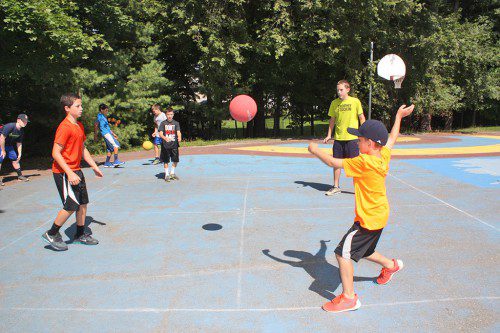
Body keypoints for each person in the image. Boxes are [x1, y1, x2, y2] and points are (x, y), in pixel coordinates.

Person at [308, 104, 415, 313]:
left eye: (360, 140)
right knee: (364, 250)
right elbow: (392, 138)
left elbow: (333, 162)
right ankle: (391, 265)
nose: (357, 142)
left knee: (342, 253)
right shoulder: (382, 155)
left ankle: (349, 298)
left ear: (372, 143)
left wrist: (315, 150)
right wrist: (399, 116)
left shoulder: (363, 161)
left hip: (369, 219)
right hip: (379, 214)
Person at [42, 93, 104, 251]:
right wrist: (69, 173)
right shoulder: (64, 127)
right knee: (71, 205)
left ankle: (80, 234)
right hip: (63, 172)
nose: (81, 108)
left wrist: (94, 166)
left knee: (83, 204)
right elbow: (55, 153)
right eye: (77, 106)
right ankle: (52, 233)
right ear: (67, 108)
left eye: (81, 105)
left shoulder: (79, 126)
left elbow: (83, 149)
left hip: (76, 170)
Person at [323, 80, 365, 196]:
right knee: (336, 164)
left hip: (352, 139)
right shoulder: (334, 103)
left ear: (348, 89)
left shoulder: (355, 102)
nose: (339, 92)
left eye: (341, 90)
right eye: (337, 90)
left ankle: (359, 188)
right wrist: (329, 135)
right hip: (339, 139)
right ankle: (336, 186)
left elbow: (362, 118)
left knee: (355, 165)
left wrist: (364, 134)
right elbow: (332, 120)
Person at [0, 114, 30, 186]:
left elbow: (19, 143)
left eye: (26, 122)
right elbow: (2, 138)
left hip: (8, 145)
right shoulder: (10, 126)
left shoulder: (21, 131)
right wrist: (3, 150)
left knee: (15, 159)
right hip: (1, 143)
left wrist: (20, 153)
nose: (25, 123)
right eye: (23, 121)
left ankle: (20, 176)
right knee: (0, 159)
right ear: (18, 120)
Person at [158, 108, 181, 182]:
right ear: (166, 115)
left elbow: (178, 132)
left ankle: (172, 173)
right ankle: (167, 174)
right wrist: (164, 138)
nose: (170, 116)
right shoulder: (163, 123)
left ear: (173, 115)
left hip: (174, 145)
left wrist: (179, 137)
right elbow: (160, 133)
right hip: (165, 145)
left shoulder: (176, 123)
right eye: (168, 114)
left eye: (171, 114)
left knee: (175, 160)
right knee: (166, 160)